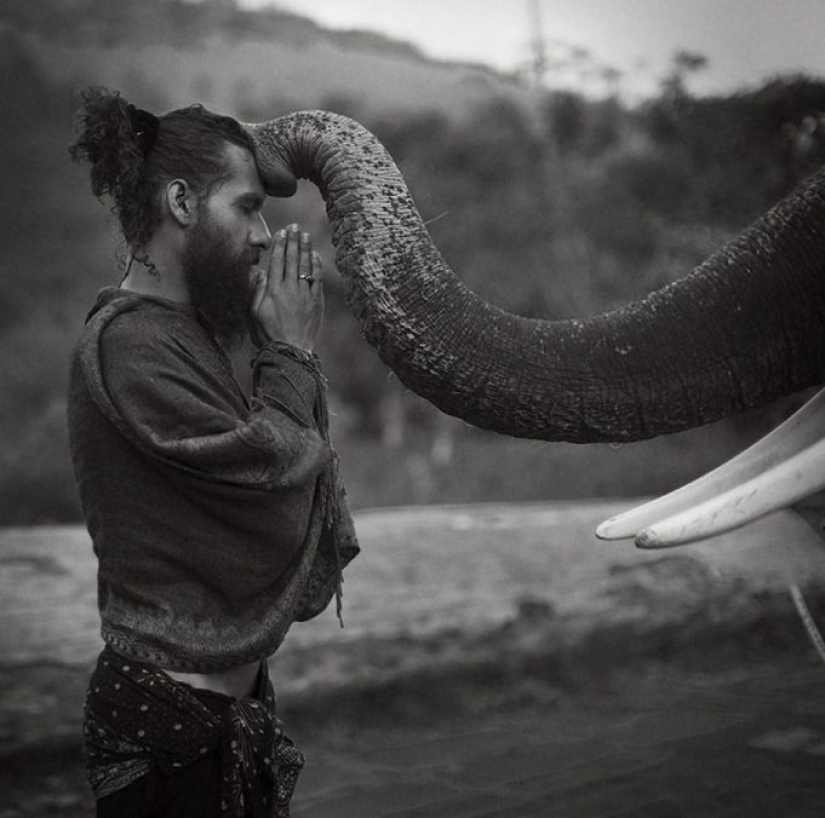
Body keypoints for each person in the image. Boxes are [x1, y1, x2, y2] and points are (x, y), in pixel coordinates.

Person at [67, 87, 359, 817]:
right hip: (168, 736)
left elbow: (278, 464)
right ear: (182, 203)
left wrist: (275, 346)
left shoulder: (185, 334)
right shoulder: (130, 342)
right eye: (247, 206)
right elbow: (268, 481)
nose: (264, 235)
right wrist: (290, 348)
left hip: (221, 720)